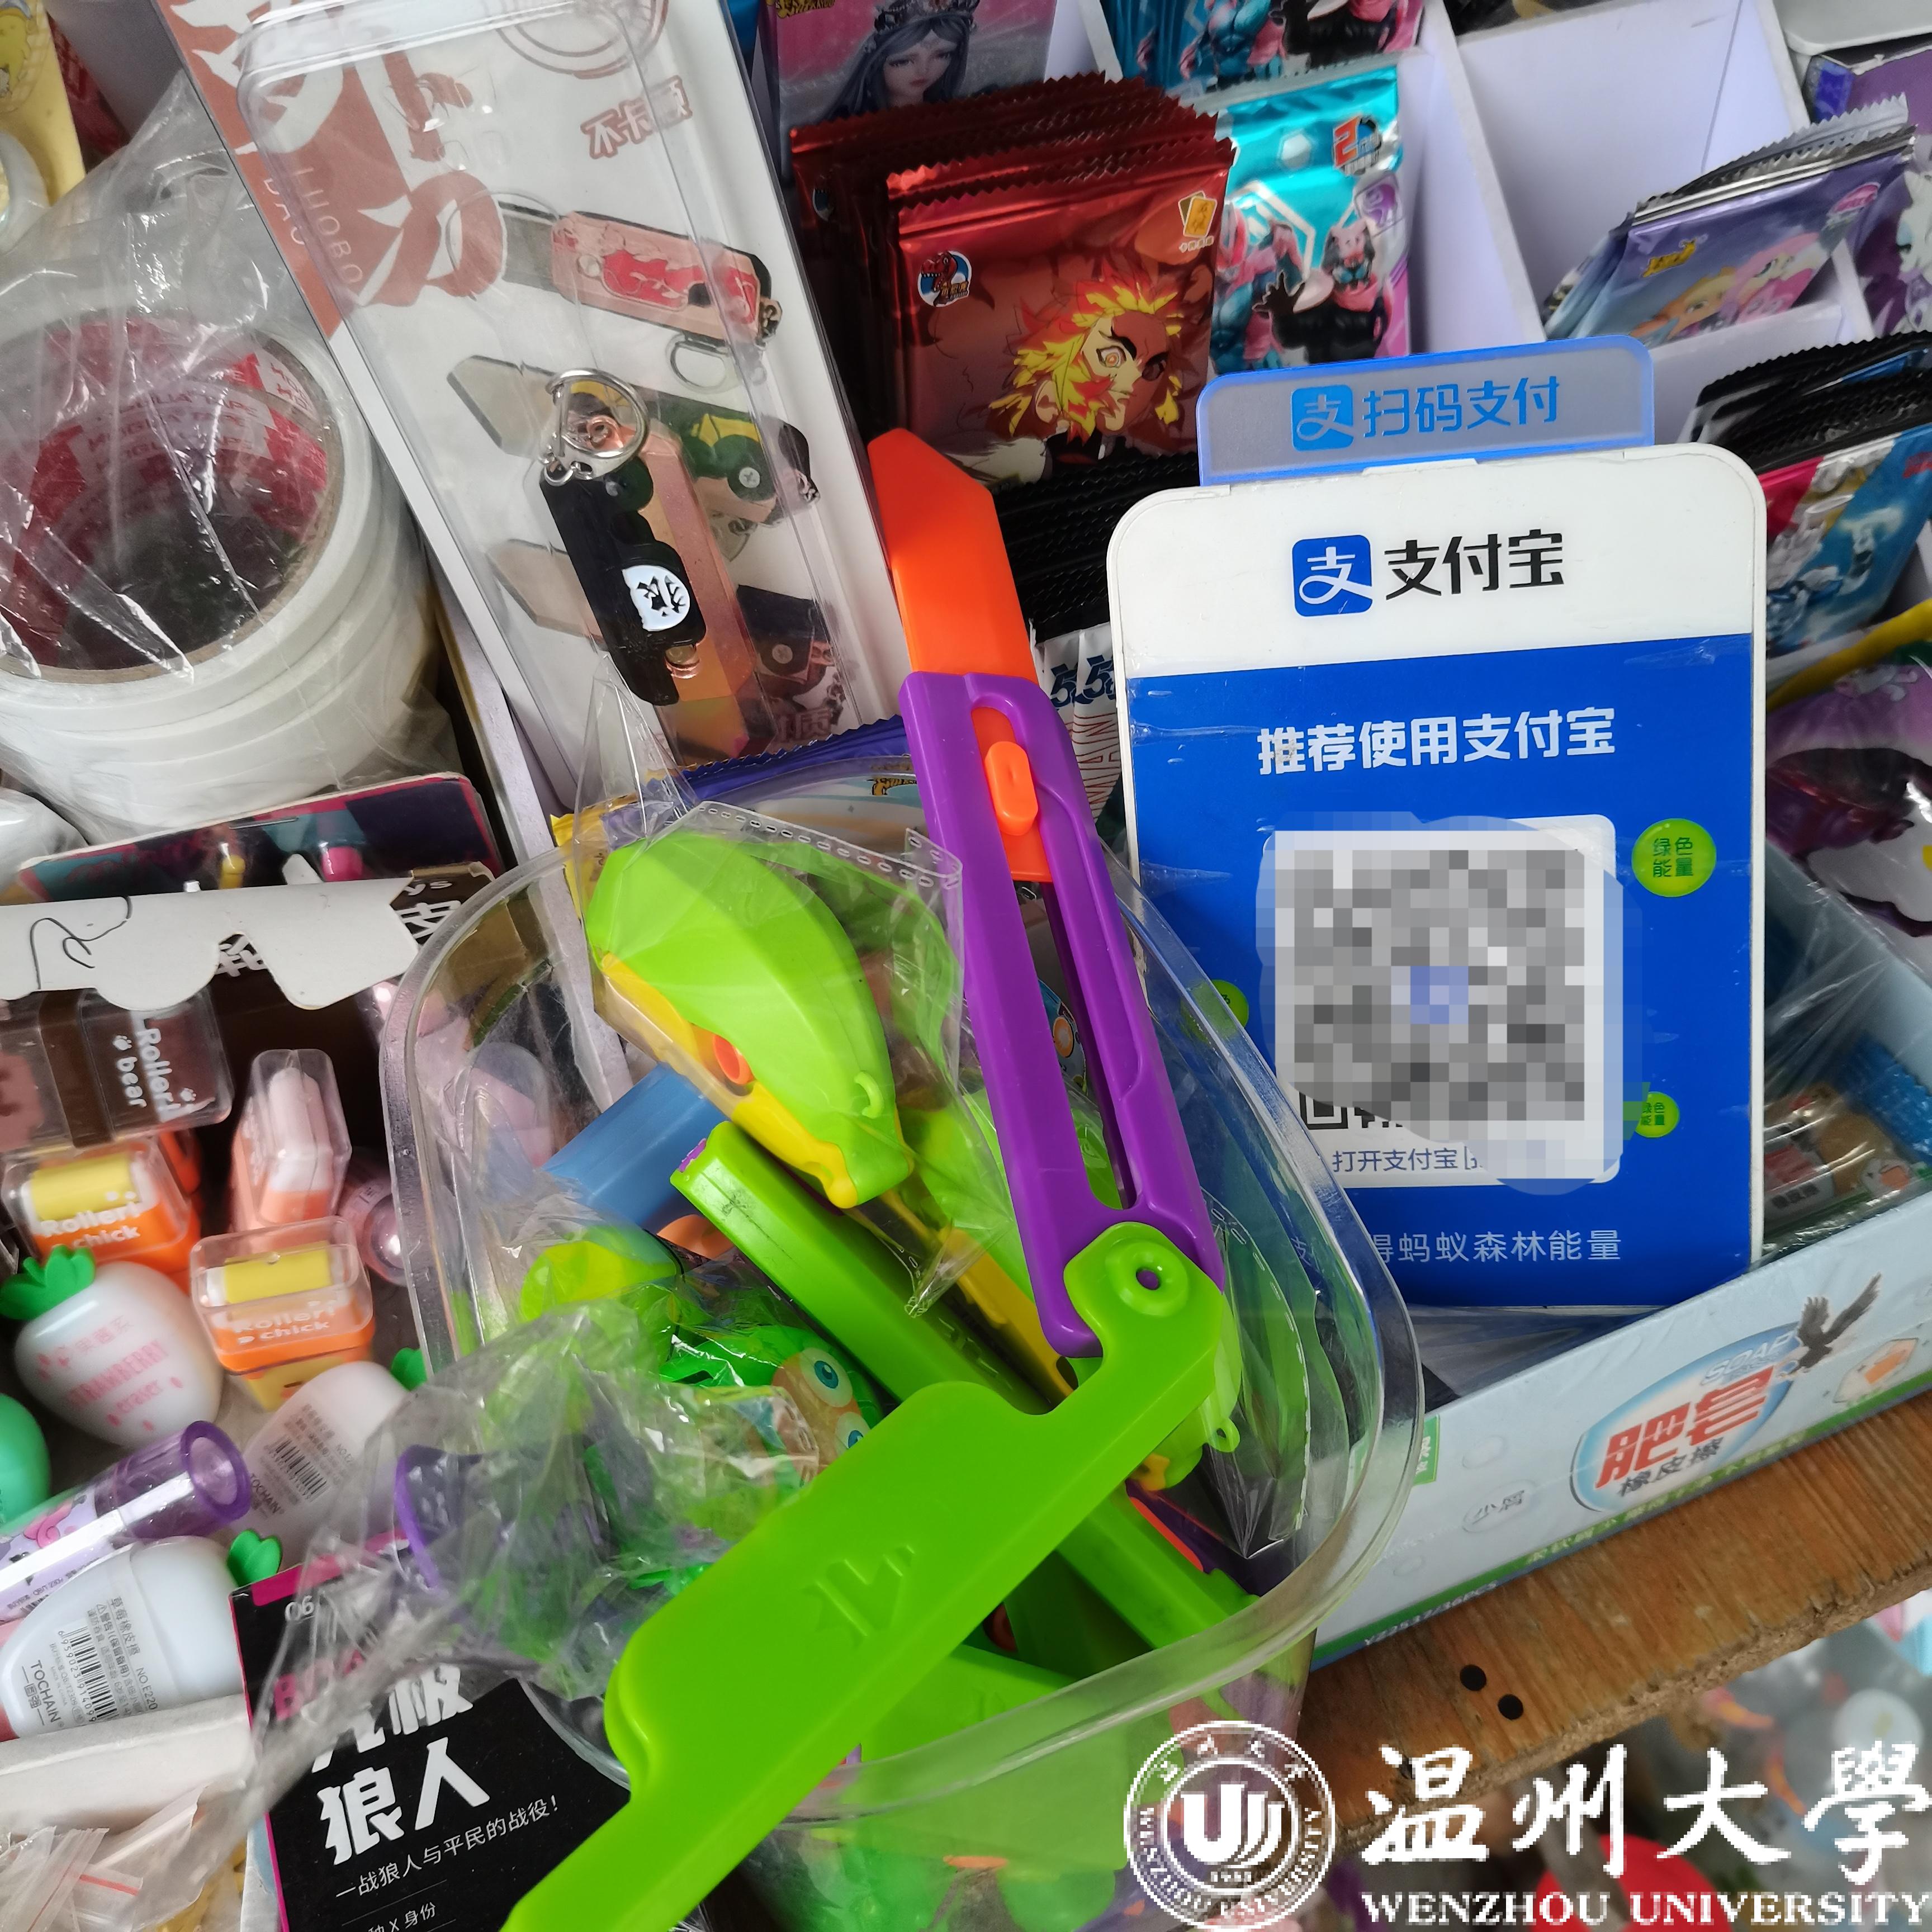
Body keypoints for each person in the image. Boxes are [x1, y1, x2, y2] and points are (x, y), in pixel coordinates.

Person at [827, 0, 977, 119]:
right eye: (903, 62)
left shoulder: (960, 113)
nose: (923, 70)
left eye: (943, 55)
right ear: (876, 62)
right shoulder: (849, 124)